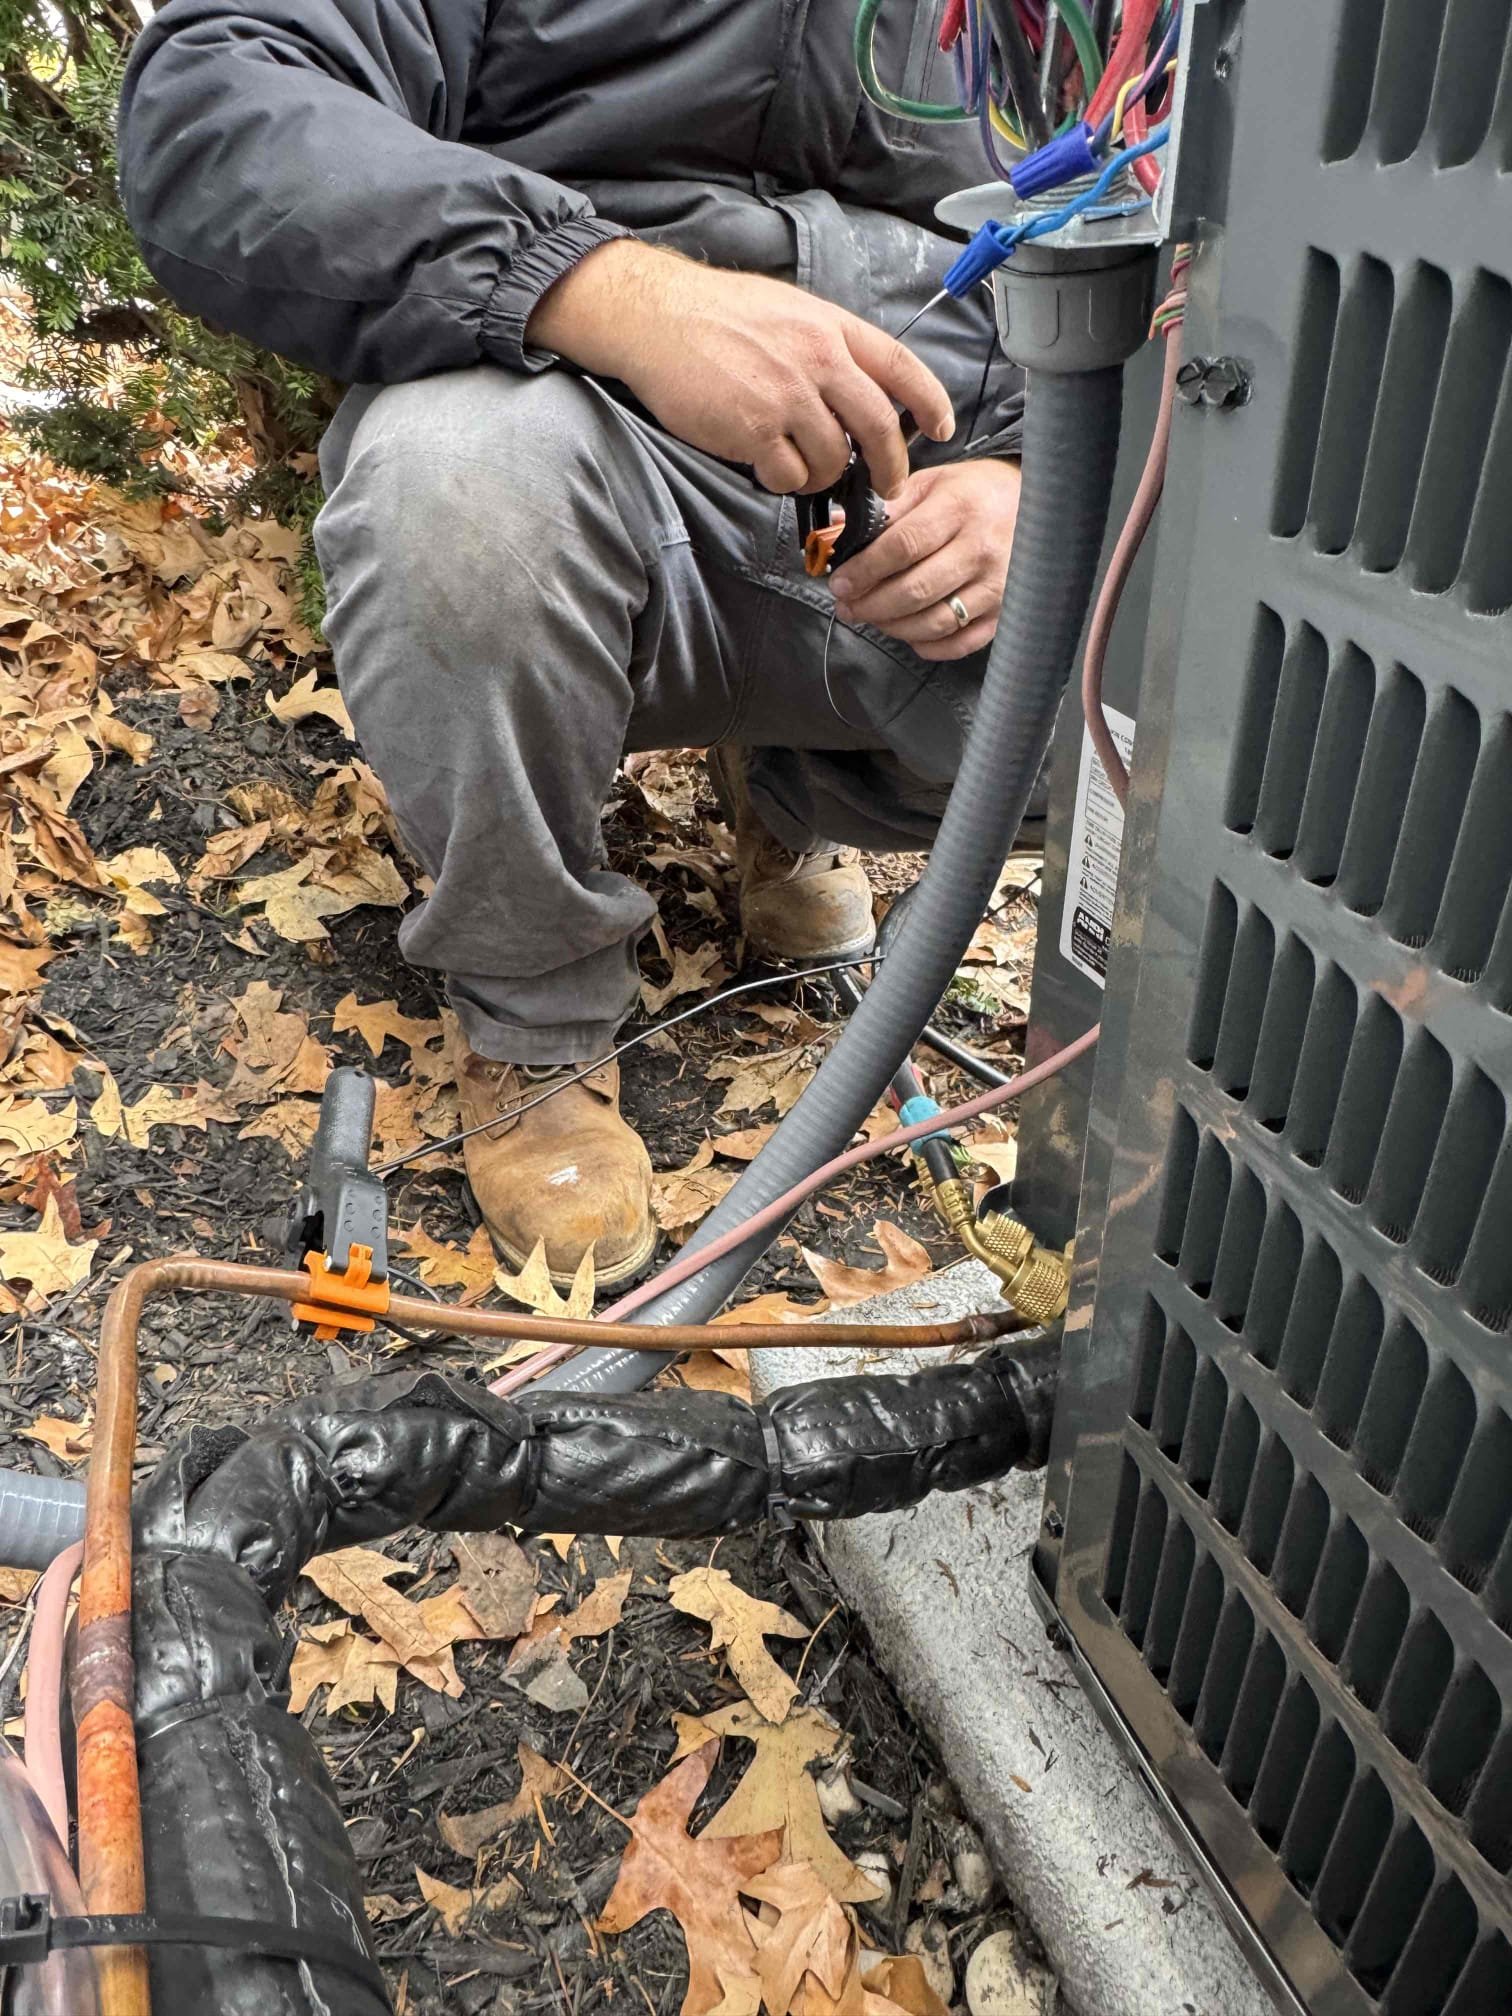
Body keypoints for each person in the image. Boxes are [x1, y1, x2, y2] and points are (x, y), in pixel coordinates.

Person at [118, 0, 1025, 1287]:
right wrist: (597, 285)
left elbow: (1203, 257)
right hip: (586, 413)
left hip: (952, 452)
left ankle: (790, 802)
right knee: (455, 484)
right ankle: (532, 1023)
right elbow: (215, 106)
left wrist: (1046, 476)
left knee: (1169, 603)